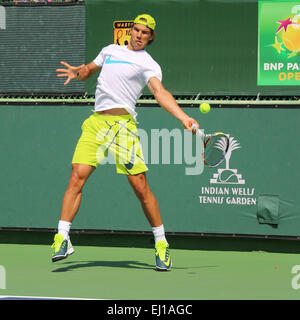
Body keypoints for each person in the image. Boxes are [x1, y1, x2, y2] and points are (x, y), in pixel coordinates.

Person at [52, 14, 199, 271]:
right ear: (130, 31)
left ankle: (161, 243)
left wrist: (183, 117)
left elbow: (159, 93)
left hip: (123, 128)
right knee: (77, 175)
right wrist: (78, 72)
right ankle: (62, 236)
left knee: (140, 187)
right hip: (96, 124)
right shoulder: (110, 50)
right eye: (136, 30)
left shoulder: (149, 64)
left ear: (151, 37)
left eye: (145, 32)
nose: (139, 35)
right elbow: (89, 70)